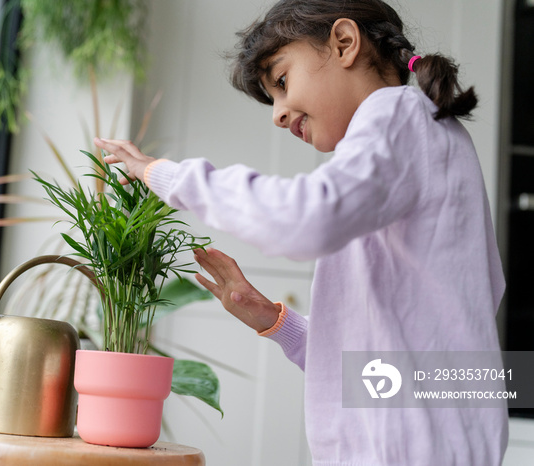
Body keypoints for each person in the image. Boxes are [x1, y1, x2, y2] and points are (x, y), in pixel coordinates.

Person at [94, 0, 507, 464]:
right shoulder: (426, 137)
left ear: (345, 43)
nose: (278, 114)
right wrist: (274, 322)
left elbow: (303, 217)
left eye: (283, 82)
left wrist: (163, 175)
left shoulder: (399, 116)